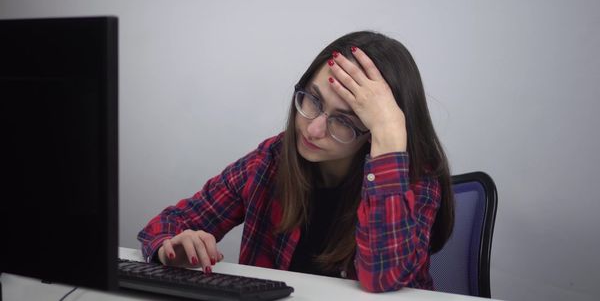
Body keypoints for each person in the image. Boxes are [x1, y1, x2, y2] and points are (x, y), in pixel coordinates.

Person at [138, 31, 454, 292]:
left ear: (372, 132)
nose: (313, 129)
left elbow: (382, 279)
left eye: (343, 121)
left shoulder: (414, 180)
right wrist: (172, 246)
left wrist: (389, 132)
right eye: (312, 99)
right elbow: (164, 226)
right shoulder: (271, 160)